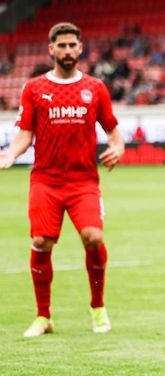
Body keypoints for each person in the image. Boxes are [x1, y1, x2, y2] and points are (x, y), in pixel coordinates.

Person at [0, 22, 125, 337]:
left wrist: (118, 148)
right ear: (51, 49)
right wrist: (11, 154)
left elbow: (113, 131)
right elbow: (25, 133)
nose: (68, 50)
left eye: (73, 45)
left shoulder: (95, 88)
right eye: (62, 45)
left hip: (83, 181)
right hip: (45, 180)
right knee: (41, 242)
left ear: (81, 48)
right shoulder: (34, 88)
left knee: (93, 237)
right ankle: (43, 317)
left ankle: (98, 308)